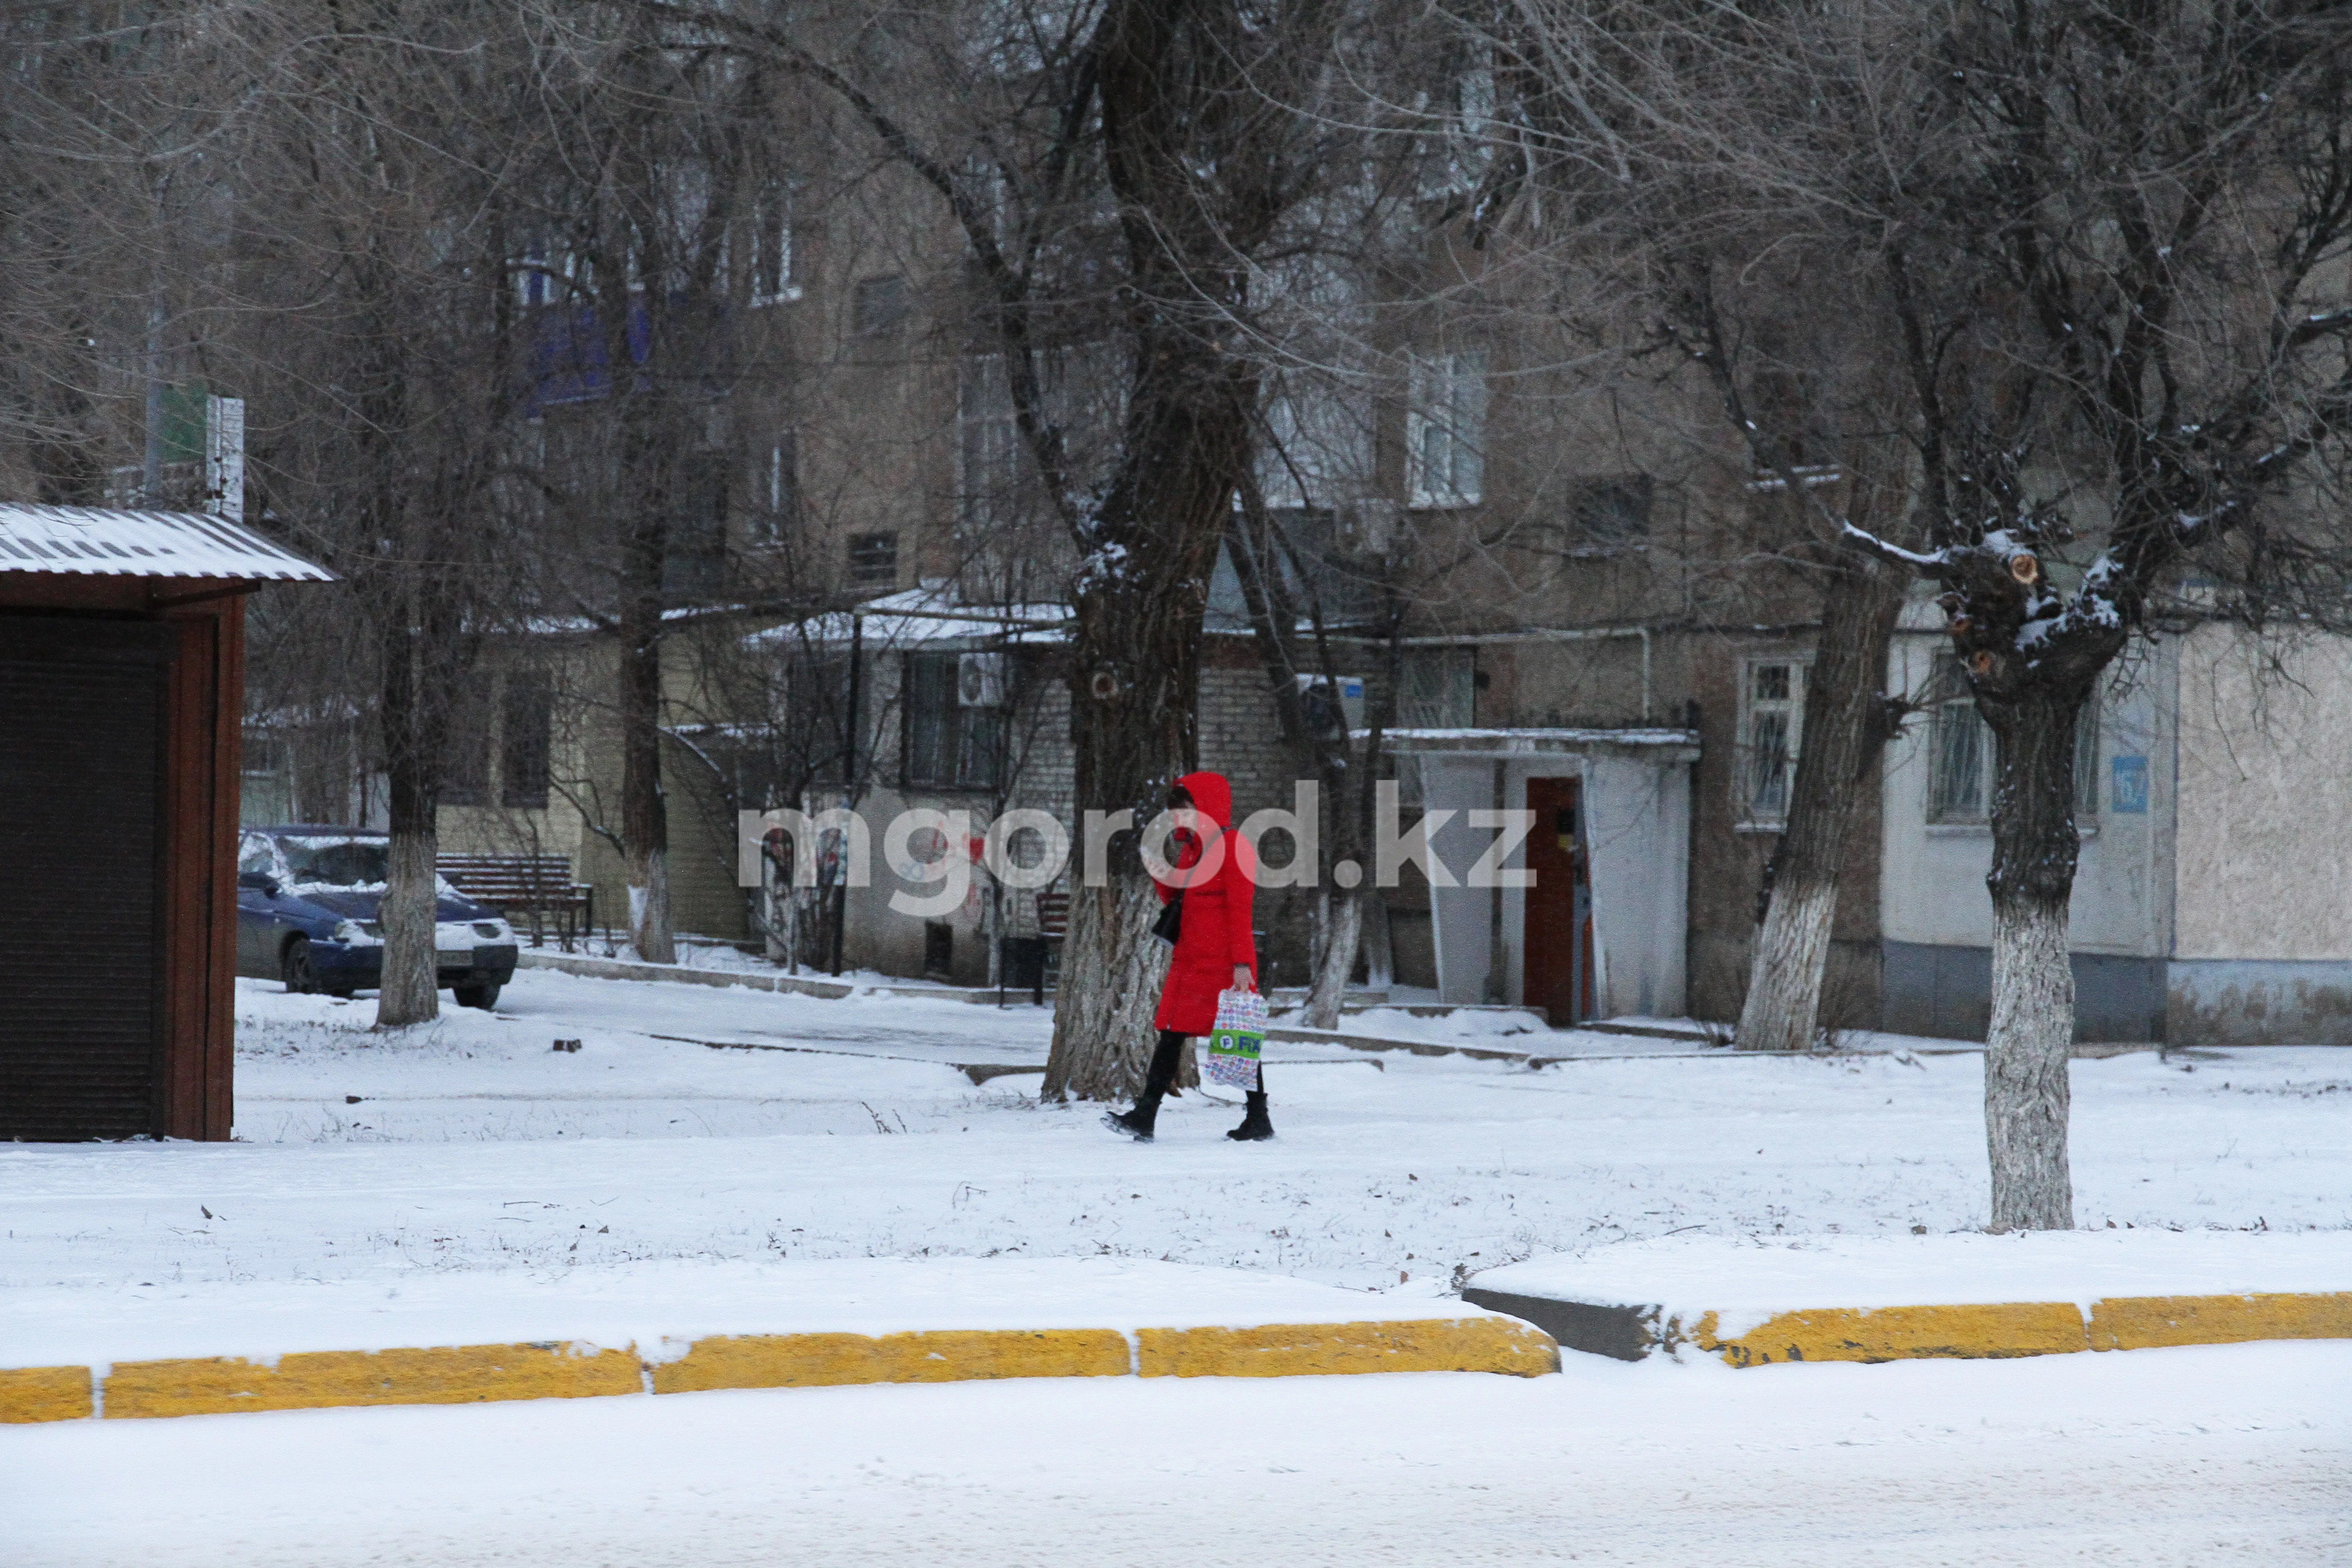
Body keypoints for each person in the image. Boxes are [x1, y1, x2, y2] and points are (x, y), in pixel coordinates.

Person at [1105, 770, 1271, 1142]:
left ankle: (1257, 1117)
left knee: (1237, 1036)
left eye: (1186, 810)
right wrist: (1159, 870)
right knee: (1172, 1035)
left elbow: (1241, 911)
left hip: (1225, 964)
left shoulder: (1234, 846)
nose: (1179, 818)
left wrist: (1243, 965)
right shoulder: (1192, 849)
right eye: (1177, 812)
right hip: (1191, 960)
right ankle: (1146, 1114)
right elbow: (1176, 900)